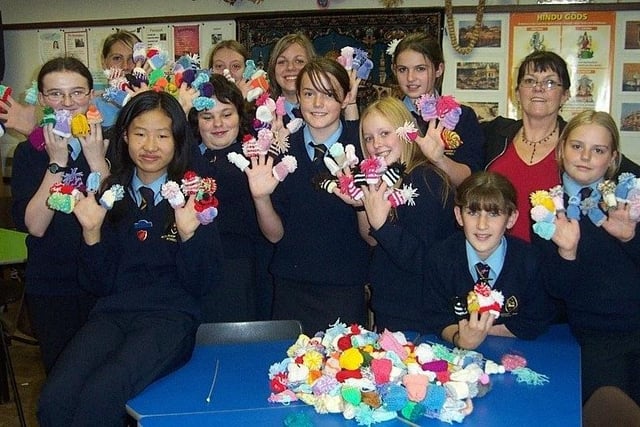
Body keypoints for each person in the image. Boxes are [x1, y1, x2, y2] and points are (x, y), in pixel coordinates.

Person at [37, 91, 223, 426]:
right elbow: (96, 284)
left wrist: (189, 236)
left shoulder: (194, 196)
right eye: (140, 133)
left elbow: (203, 285)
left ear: (178, 140)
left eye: (163, 135)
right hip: (112, 316)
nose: (150, 145)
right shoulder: (109, 193)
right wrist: (92, 234)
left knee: (102, 394)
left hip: (169, 319)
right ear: (124, 136)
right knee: (55, 397)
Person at [245, 57, 369, 334]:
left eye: (328, 94)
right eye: (309, 93)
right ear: (297, 98)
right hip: (291, 285)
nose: (317, 104)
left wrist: (362, 204)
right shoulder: (281, 152)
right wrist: (260, 197)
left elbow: (373, 235)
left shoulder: (361, 146)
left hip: (345, 286)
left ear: (346, 97)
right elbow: (275, 235)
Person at [10, 56, 110, 373]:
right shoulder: (29, 152)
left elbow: (118, 213)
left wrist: (97, 162)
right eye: (55, 94)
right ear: (41, 99)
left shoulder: (113, 143)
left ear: (92, 95)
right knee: (62, 376)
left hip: (104, 281)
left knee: (106, 376)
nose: (67, 103)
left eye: (77, 92)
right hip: (53, 285)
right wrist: (57, 164)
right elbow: (36, 227)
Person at [536, 110, 640, 406]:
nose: (585, 157)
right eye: (577, 146)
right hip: (596, 339)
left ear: (613, 158)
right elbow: (556, 291)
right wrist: (566, 252)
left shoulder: (629, 200)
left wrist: (630, 239)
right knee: (609, 411)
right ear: (561, 149)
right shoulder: (547, 209)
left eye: (598, 150)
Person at [484, 50, 640, 243]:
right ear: (517, 92)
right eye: (530, 81)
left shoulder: (578, 141)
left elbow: (626, 172)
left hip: (556, 260)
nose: (538, 88)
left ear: (565, 95)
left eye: (550, 82)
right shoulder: (494, 134)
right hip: (500, 259)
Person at [351, 96, 455, 333]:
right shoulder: (388, 180)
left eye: (384, 133)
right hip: (392, 312)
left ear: (405, 133)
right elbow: (377, 242)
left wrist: (383, 227)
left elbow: (424, 260)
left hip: (420, 319)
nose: (376, 144)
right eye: (368, 138)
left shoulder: (425, 180)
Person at [425, 171, 554, 349]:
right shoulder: (440, 258)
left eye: (493, 214)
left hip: (516, 350)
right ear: (458, 215)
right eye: (472, 212)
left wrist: (481, 331)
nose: (482, 225)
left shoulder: (530, 261)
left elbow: (535, 321)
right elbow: (436, 317)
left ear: (511, 218)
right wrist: (460, 339)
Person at [188, 73, 263, 321]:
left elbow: (214, 178)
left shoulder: (250, 156)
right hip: (194, 266)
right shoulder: (195, 156)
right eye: (207, 117)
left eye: (227, 114)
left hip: (237, 268)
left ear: (240, 116)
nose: (218, 123)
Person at [391, 32, 485, 186]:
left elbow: (471, 180)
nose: (410, 78)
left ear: (439, 69)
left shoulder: (461, 117)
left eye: (420, 69)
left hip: (447, 207)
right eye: (402, 69)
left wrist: (440, 160)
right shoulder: (387, 116)